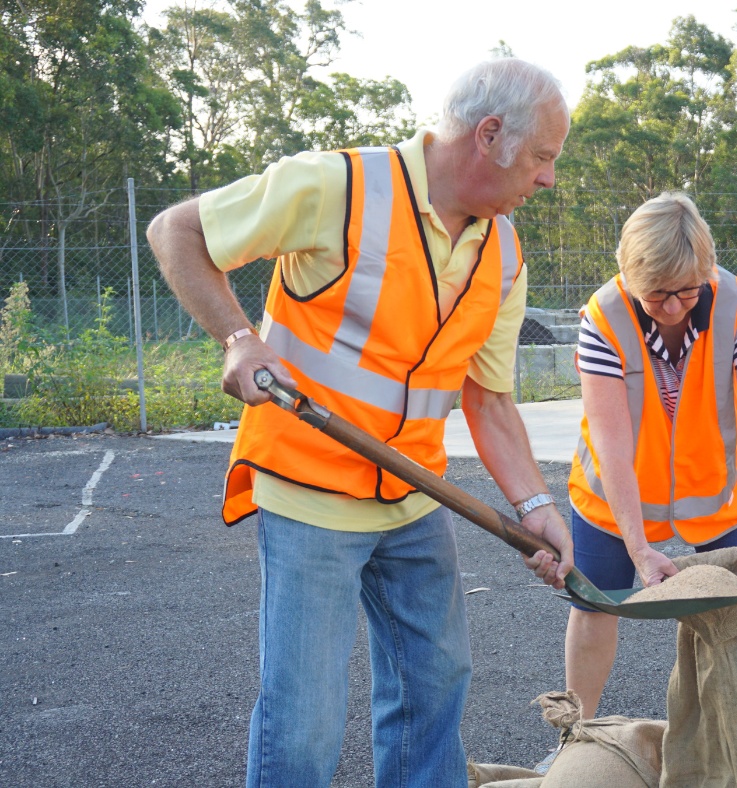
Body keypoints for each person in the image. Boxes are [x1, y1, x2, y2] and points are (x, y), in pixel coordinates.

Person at [145, 58, 575, 787]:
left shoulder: (501, 252)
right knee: (305, 719)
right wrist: (240, 339)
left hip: (414, 499)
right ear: (490, 135)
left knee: (433, 688)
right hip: (309, 490)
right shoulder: (336, 187)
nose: (548, 178)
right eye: (542, 157)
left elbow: (490, 400)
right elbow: (175, 231)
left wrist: (536, 506)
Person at [546, 192, 737, 788]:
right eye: (656, 294)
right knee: (594, 610)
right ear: (629, 276)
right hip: (612, 500)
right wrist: (638, 546)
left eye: (686, 292)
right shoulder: (603, 315)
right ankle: (573, 739)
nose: (671, 307)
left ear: (707, 272)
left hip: (719, 495)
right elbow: (612, 442)